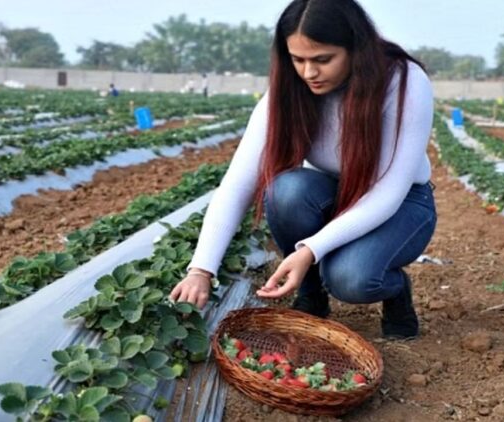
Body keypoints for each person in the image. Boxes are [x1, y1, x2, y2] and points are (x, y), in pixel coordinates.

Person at [169, 0, 436, 340]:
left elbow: (387, 193)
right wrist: (201, 270)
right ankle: (311, 292)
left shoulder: (403, 82)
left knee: (351, 279)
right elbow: (237, 185)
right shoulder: (288, 92)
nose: (309, 72)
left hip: (400, 203)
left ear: (355, 48)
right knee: (286, 190)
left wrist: (309, 250)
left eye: (323, 59)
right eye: (298, 59)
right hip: (332, 191)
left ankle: (394, 289)